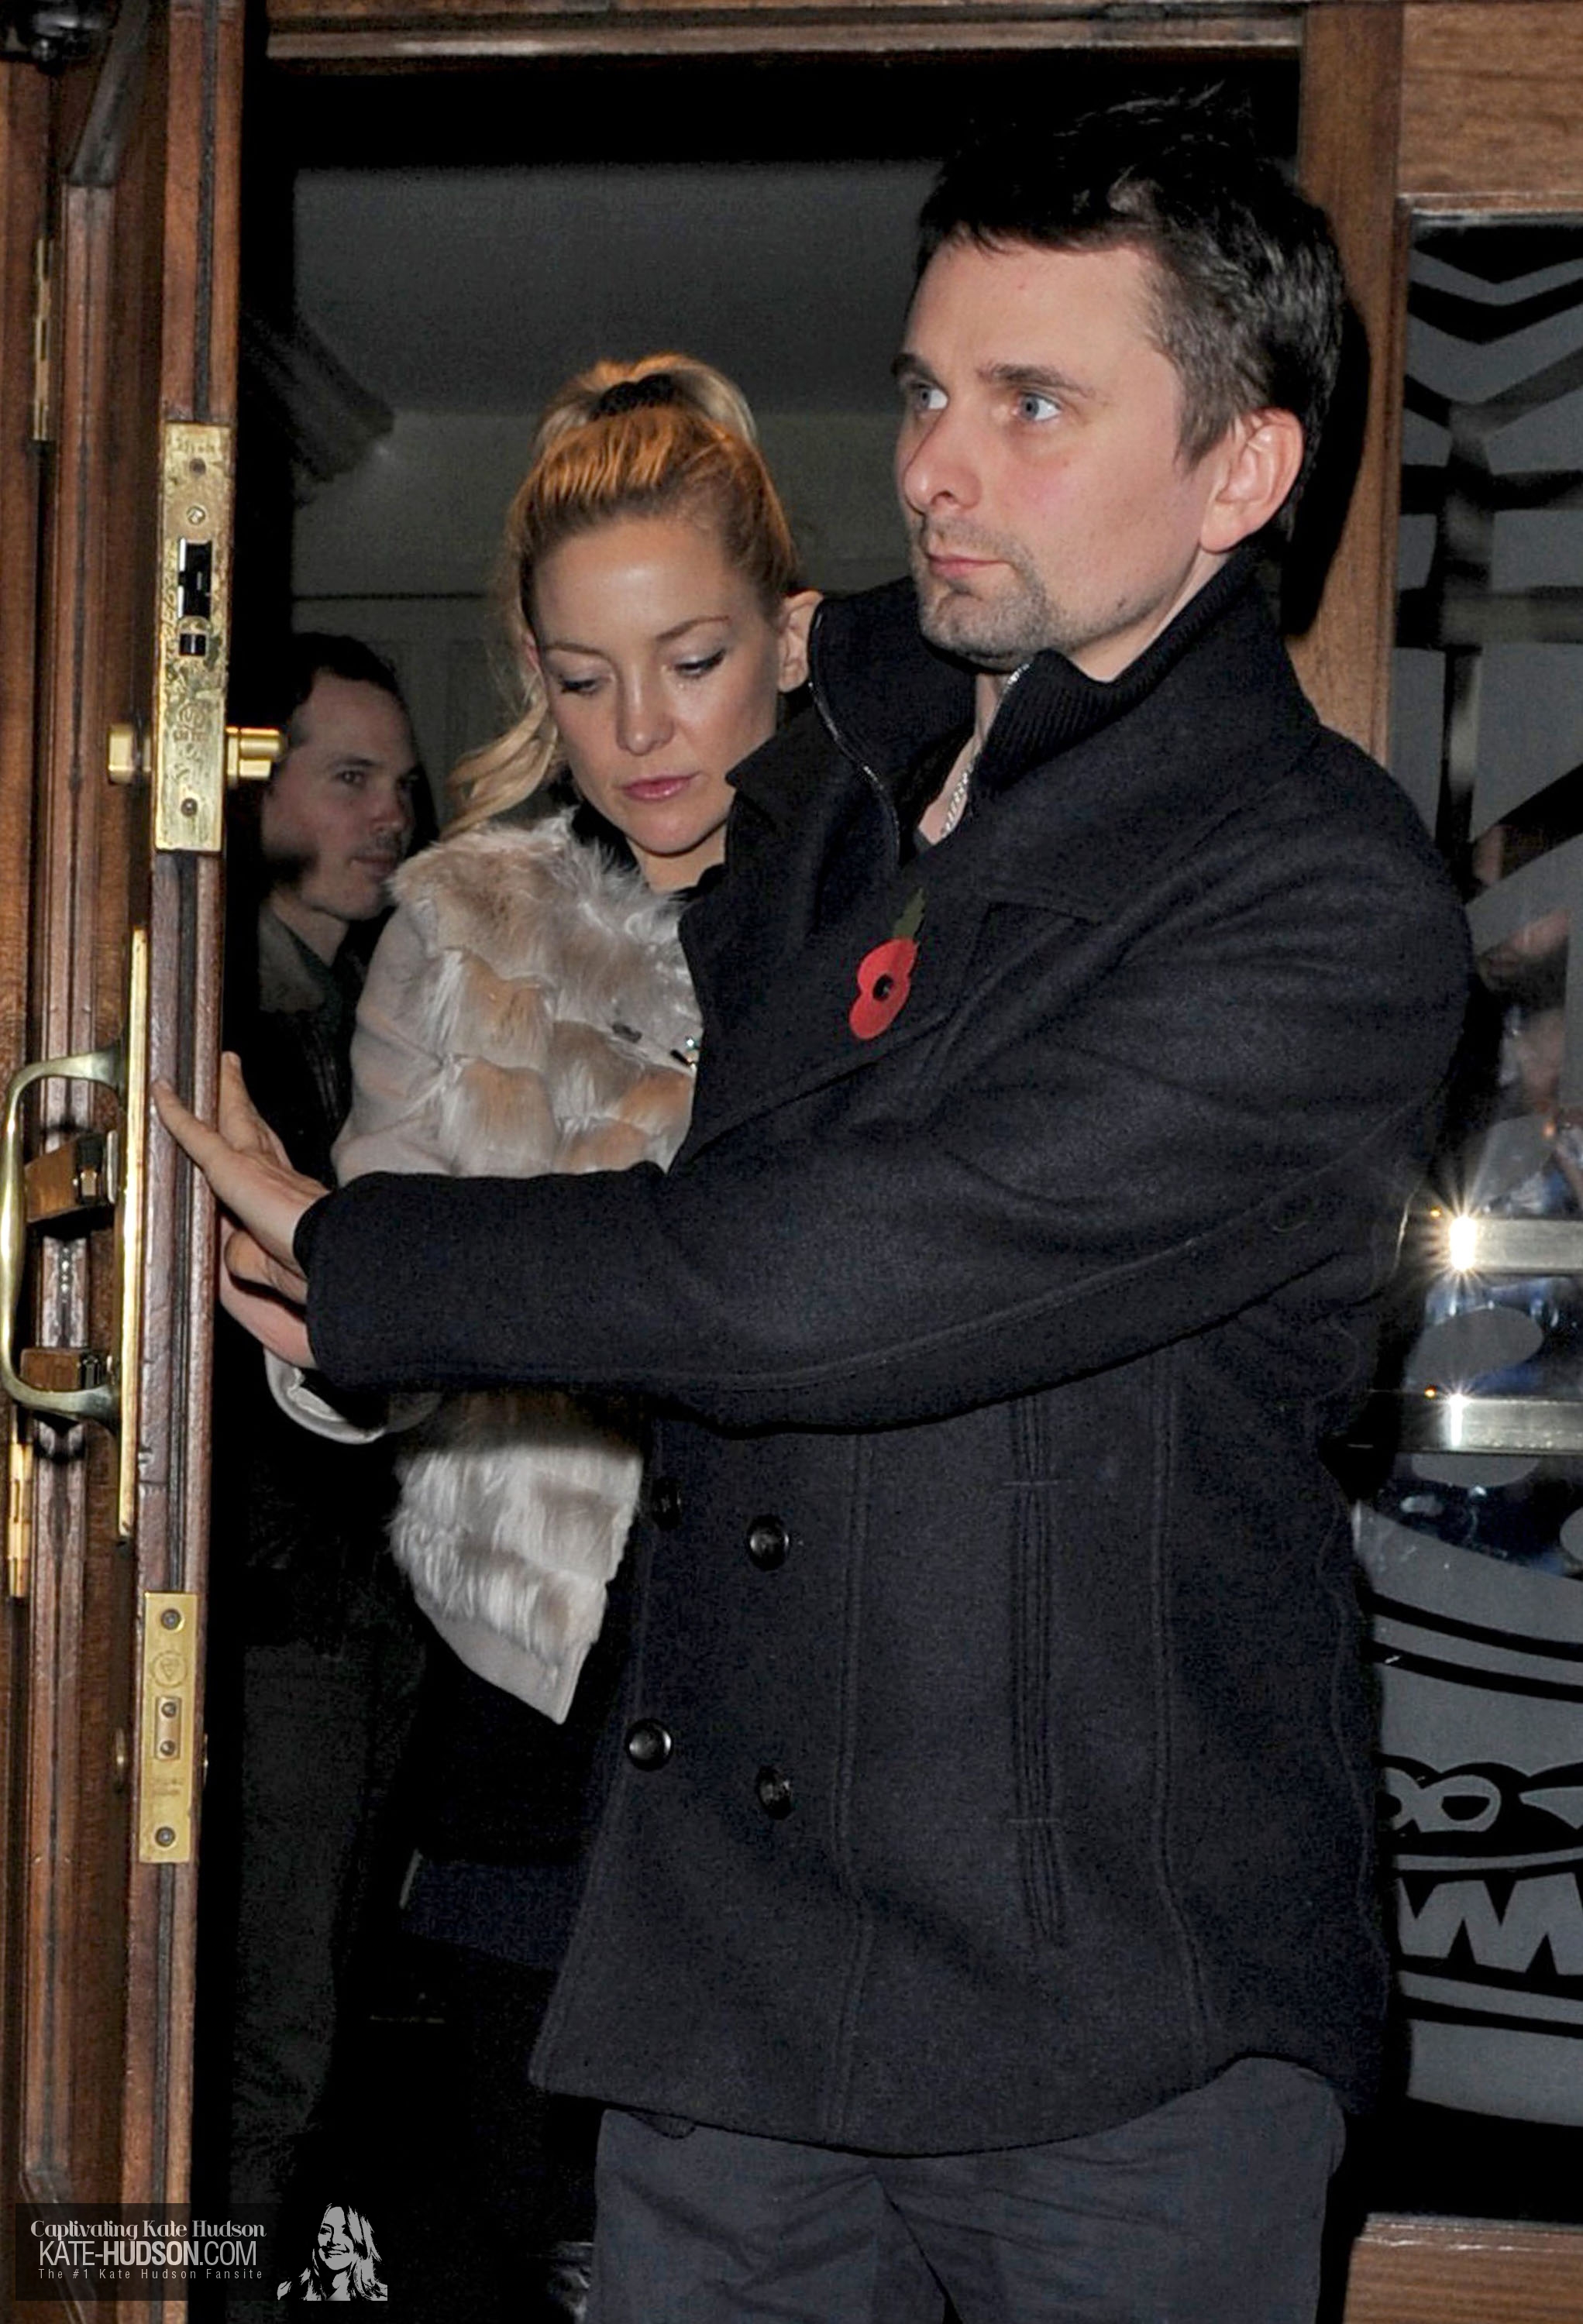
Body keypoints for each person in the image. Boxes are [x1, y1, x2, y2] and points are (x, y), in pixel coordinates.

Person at [163, 97, 1472, 2324]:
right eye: (924, 390)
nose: (937, 463)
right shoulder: (857, 761)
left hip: (1111, 2028)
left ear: (1240, 470)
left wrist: (379, 1256)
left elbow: (828, 1281)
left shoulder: (1313, 891)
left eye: (1031, 403)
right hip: (734, 2003)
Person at [269, 355, 817, 2322]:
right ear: (529, 669)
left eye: (690, 660)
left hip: (812, 1677)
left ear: (789, 636)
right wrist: (329, 1323)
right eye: (583, 679)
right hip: (536, 1679)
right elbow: (361, 1312)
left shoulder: (885, 912)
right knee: (476, 2228)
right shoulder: (466, 921)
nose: (640, 728)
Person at [201, 637, 428, 2277]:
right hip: (271, 1618)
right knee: (267, 2038)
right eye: (347, 778)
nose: (388, 815)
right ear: (243, 787)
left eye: (399, 785)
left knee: (315, 2025)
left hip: (364, 1608)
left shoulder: (390, 1016)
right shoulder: (204, 1023)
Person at [277, 2201, 387, 2301]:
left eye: (346, 2232)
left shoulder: (383, 2297)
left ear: (361, 2240)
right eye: (325, 2230)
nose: (334, 2240)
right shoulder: (287, 2292)